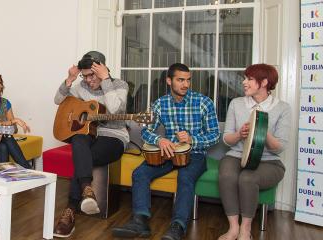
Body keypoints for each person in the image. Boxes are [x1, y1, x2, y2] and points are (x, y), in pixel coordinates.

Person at [112, 63, 220, 240]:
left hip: (195, 154)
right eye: (180, 80)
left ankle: (178, 227)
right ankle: (140, 221)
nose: (185, 84)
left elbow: (215, 135)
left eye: (188, 80)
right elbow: (146, 130)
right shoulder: (160, 104)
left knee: (185, 177)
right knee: (140, 173)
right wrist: (159, 140)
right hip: (168, 151)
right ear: (169, 81)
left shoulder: (203, 102)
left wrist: (192, 139)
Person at [53, 51, 130, 238]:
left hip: (113, 136)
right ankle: (88, 190)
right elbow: (58, 100)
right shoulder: (80, 86)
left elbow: (115, 109)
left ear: (102, 68)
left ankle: (70, 210)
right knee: (79, 139)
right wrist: (70, 79)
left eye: (92, 75)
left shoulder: (119, 85)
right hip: (90, 134)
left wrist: (105, 80)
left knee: (83, 157)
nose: (87, 80)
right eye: (84, 75)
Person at [217, 64, 289, 240]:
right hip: (236, 155)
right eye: (245, 78)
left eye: (249, 79)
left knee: (247, 178)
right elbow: (226, 139)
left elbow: (280, 147)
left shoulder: (282, 108)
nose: (244, 82)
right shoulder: (236, 103)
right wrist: (239, 134)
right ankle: (233, 228)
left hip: (269, 161)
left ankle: (245, 230)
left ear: (264, 82)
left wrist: (262, 132)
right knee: (226, 175)